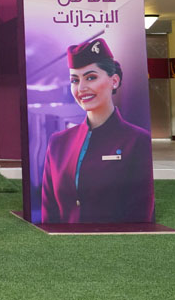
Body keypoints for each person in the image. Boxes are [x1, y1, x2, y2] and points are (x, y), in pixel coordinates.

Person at [40, 38, 154, 224]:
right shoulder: (58, 142)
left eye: (91, 77)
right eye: (75, 80)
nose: (81, 88)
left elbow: (140, 214)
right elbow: (49, 213)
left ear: (114, 81)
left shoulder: (137, 141)